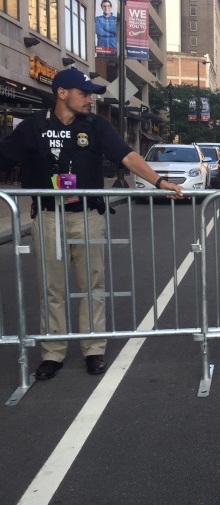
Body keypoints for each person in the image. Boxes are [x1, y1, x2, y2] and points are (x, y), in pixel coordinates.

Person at [0, 68, 184, 380]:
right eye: (84, 94)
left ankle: (93, 349)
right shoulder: (34, 127)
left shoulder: (96, 125)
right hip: (47, 218)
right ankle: (53, 353)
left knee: (92, 287)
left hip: (87, 216)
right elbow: (4, 157)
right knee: (51, 289)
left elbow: (126, 156)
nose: (90, 100)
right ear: (62, 94)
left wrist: (159, 180)